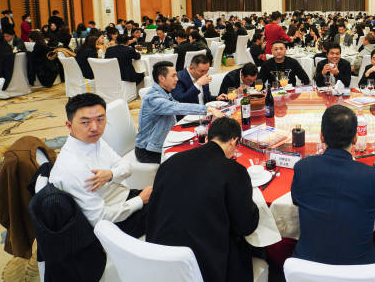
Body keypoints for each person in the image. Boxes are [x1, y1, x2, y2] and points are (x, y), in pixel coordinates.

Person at [145, 117, 259, 282]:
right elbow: (246, 226)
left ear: (207, 138)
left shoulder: (171, 161)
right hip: (202, 265)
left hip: (158, 255)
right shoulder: (234, 171)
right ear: (234, 141)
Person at [291, 105, 375, 264]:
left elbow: (296, 200)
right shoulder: (373, 177)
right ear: (355, 138)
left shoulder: (303, 168)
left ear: (321, 137)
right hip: (361, 269)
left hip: (308, 266)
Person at [49, 93, 152, 236]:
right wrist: (139, 200)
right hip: (112, 225)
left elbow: (127, 167)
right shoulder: (74, 167)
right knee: (172, 212)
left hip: (122, 199)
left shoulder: (93, 141)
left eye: (100, 119)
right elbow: (100, 219)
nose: (95, 127)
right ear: (69, 125)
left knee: (170, 192)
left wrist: (111, 174)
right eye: (85, 122)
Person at [136, 61, 219, 164]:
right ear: (162, 78)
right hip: (148, 151)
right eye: (173, 76)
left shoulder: (164, 92)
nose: (177, 79)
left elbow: (179, 104)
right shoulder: (153, 98)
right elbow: (177, 107)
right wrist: (207, 109)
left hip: (161, 142)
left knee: (199, 147)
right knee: (194, 159)